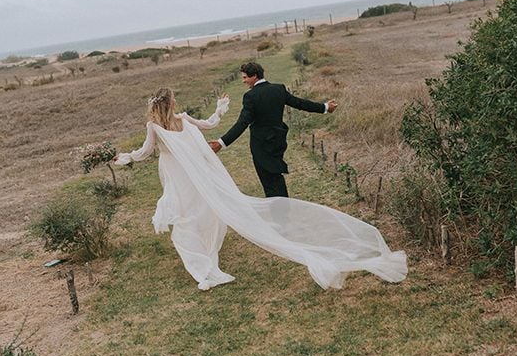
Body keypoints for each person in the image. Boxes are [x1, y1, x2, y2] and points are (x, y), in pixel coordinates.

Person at [113, 87, 407, 291]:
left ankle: (203, 267)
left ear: (154, 106)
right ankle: (205, 259)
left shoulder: (155, 127)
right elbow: (212, 123)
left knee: (186, 220)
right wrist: (220, 109)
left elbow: (142, 154)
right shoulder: (184, 118)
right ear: (171, 103)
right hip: (197, 176)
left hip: (179, 178)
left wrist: (122, 158)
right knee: (203, 213)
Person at [208, 62, 338, 197]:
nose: (243, 81)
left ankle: (280, 213)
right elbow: (300, 103)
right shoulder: (278, 89)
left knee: (270, 182)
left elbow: (242, 123)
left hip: (261, 146)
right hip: (278, 141)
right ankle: (282, 210)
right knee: (275, 177)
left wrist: (221, 143)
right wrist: (324, 107)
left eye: (245, 77)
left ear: (255, 76)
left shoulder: (251, 96)